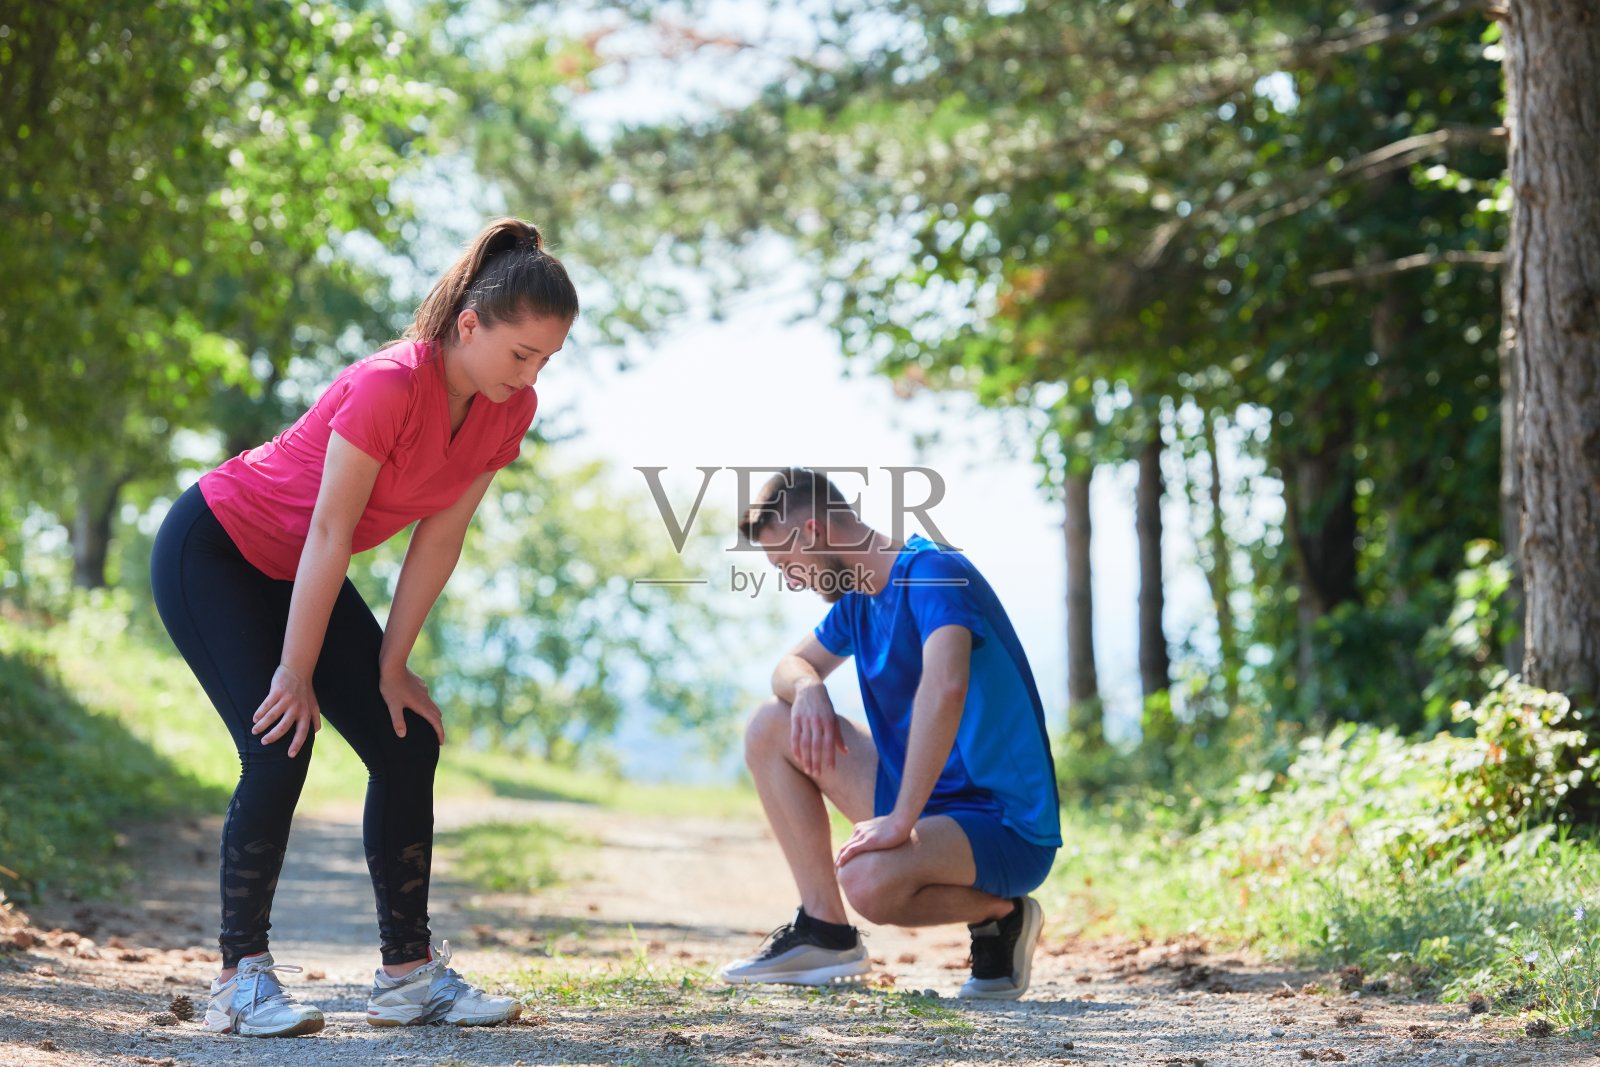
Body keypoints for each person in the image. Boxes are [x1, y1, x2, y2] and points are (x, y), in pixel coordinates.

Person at [150, 217, 577, 1037]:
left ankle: (408, 976)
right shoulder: (388, 385)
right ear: (469, 325)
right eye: (522, 353)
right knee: (279, 739)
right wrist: (294, 670)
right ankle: (239, 980)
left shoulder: (506, 410)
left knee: (406, 737)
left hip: (299, 567)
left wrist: (392, 666)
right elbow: (328, 530)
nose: (531, 375)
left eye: (546, 361)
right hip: (216, 548)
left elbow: (439, 539)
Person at [722, 468, 1062, 1000]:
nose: (791, 579)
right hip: (927, 803)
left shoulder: (933, 573)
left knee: (867, 881)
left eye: (787, 562)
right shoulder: (859, 598)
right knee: (771, 724)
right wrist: (809, 686)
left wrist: (901, 820)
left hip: (1002, 824)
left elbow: (946, 686)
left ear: (813, 531)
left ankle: (1003, 914)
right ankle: (825, 932)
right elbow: (789, 665)